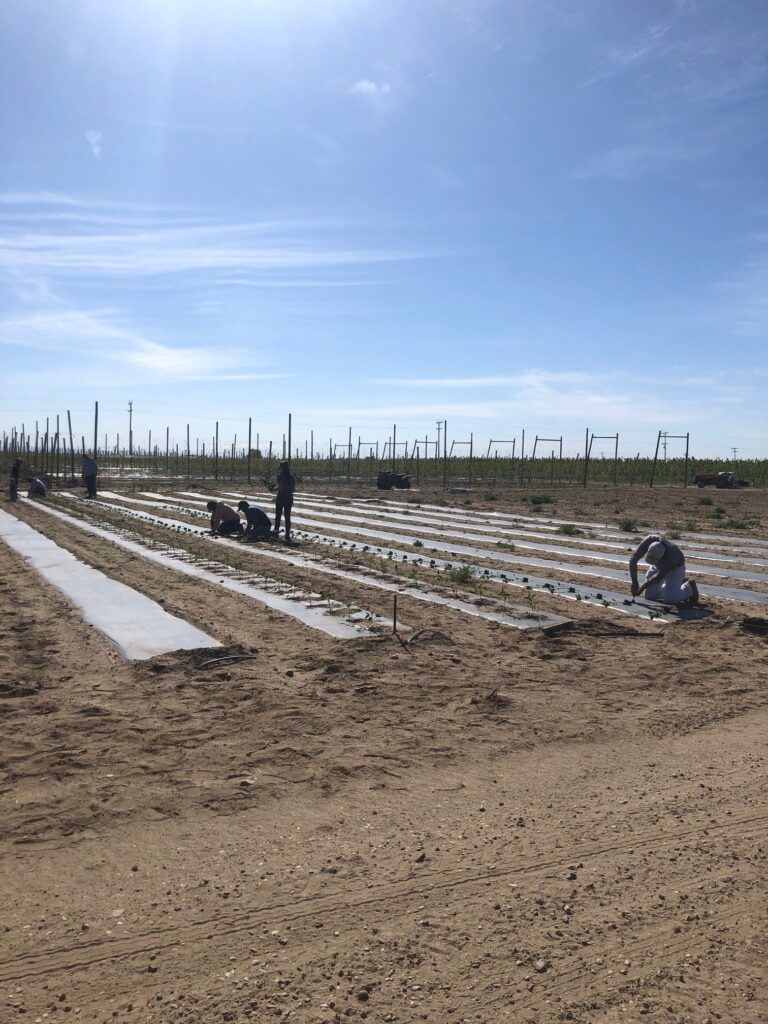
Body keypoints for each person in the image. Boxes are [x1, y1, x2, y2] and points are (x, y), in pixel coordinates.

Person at [629, 534, 699, 607]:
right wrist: (634, 582)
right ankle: (676, 586)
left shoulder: (672, 557)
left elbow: (659, 577)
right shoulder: (650, 540)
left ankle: (689, 587)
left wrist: (643, 587)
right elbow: (633, 560)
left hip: (675, 567)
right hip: (658, 564)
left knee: (671, 600)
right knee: (650, 596)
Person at [273, 460, 295, 541]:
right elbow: (293, 489)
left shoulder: (280, 476)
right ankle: (287, 535)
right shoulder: (292, 477)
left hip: (281, 497)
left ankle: (275, 534)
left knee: (278, 516)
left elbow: (280, 487)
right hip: (289, 498)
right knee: (287, 516)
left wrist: (273, 489)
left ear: (281, 467)